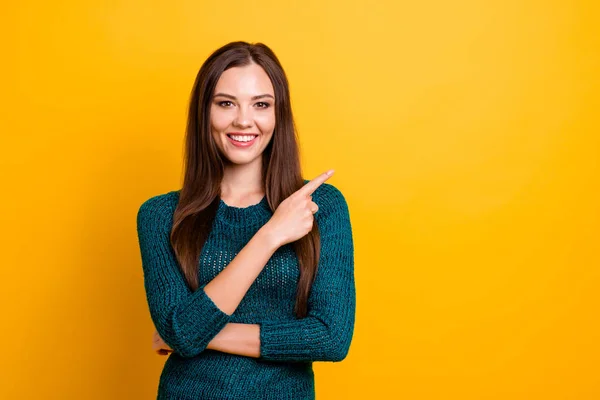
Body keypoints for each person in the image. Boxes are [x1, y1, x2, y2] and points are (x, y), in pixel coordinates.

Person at [136, 41, 356, 400]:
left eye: (261, 104)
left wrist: (196, 334)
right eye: (226, 103)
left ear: (277, 114)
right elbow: (182, 332)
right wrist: (269, 235)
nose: (243, 119)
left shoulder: (319, 207)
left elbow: (330, 338)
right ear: (204, 113)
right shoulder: (161, 215)